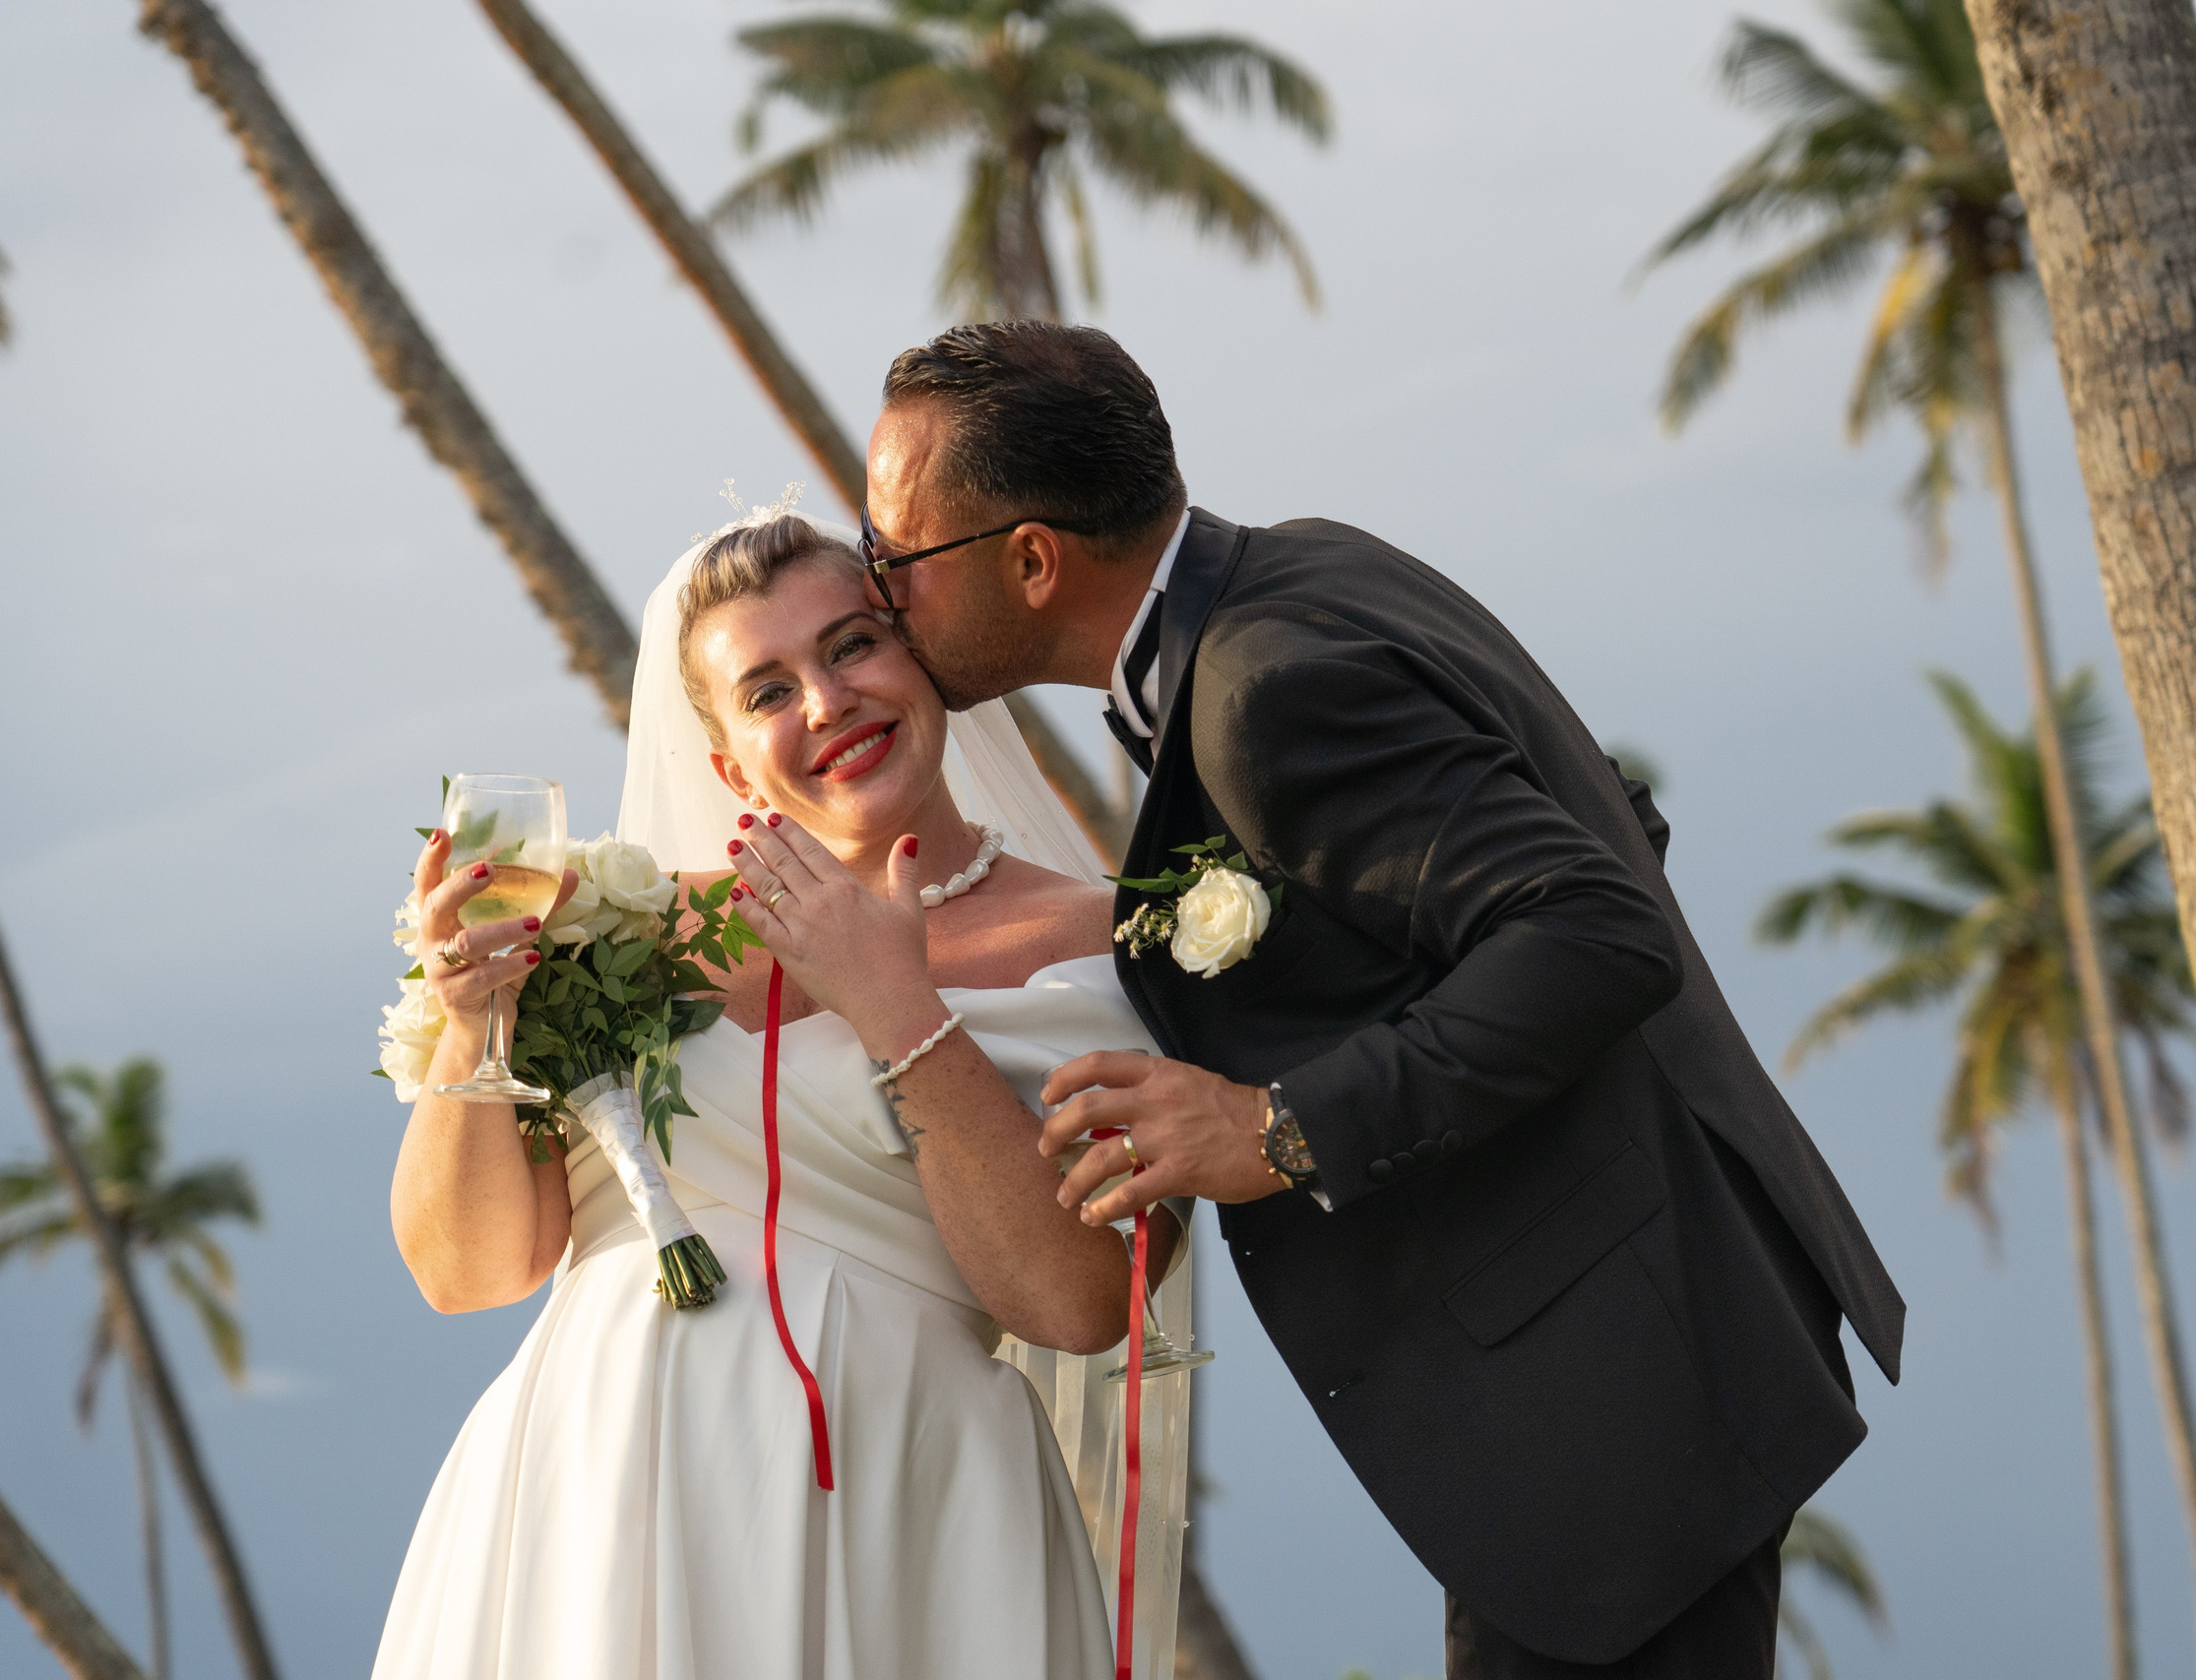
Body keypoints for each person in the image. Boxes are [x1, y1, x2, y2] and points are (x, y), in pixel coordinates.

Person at [853, 321, 1908, 1679]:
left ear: (1034, 558)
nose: (883, 591)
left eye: (897, 555)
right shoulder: (1306, 567)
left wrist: (1275, 1123)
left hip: (1612, 1381)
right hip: (1638, 1319)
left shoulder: (1261, 688)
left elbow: (1596, 924)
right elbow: (1600, 820)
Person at [372, 511, 1194, 1680]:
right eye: (765, 692)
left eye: (853, 644)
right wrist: (472, 1022)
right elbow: (467, 1275)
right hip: (590, 1497)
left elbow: (1071, 1303)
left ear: (925, 664)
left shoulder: (1097, 939)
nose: (825, 702)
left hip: (902, 1506)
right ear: (723, 764)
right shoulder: (614, 928)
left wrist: (897, 1008)